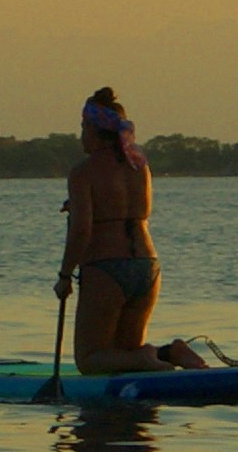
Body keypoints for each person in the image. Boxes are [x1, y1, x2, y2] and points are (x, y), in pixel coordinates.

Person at [56, 87, 209, 376]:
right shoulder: (140, 167)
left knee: (90, 360)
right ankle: (168, 353)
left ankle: (146, 359)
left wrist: (65, 276)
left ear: (93, 129)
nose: (81, 136)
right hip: (146, 266)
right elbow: (122, 209)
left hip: (106, 267)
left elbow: (82, 230)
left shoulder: (83, 172)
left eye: (82, 128)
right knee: (121, 355)